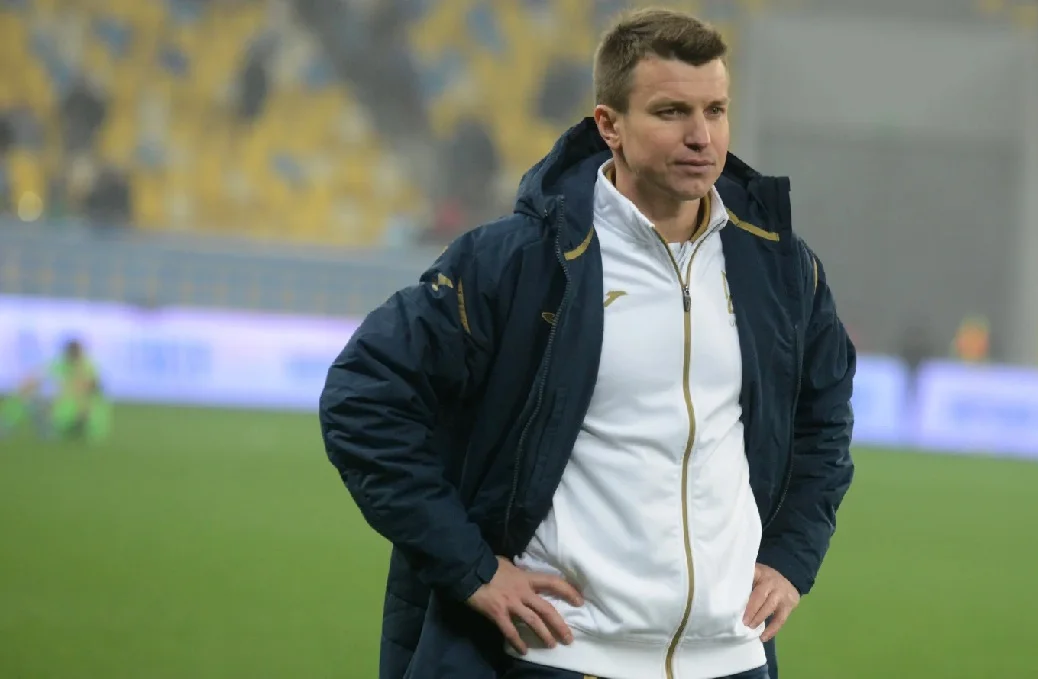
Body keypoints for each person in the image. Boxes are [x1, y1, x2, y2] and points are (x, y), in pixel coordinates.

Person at [319, 9, 856, 679]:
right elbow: (362, 398)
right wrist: (474, 568)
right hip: (565, 653)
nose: (701, 136)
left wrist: (793, 555)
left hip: (729, 657)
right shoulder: (518, 262)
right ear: (609, 125)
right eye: (671, 112)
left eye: (715, 110)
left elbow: (824, 421)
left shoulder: (780, 268)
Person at [0, 338, 112, 443]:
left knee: (34, 399)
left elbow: (86, 389)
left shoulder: (88, 367)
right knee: (28, 396)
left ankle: (61, 430)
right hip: (67, 414)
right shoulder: (63, 365)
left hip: (76, 416)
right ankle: (7, 424)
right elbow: (36, 379)